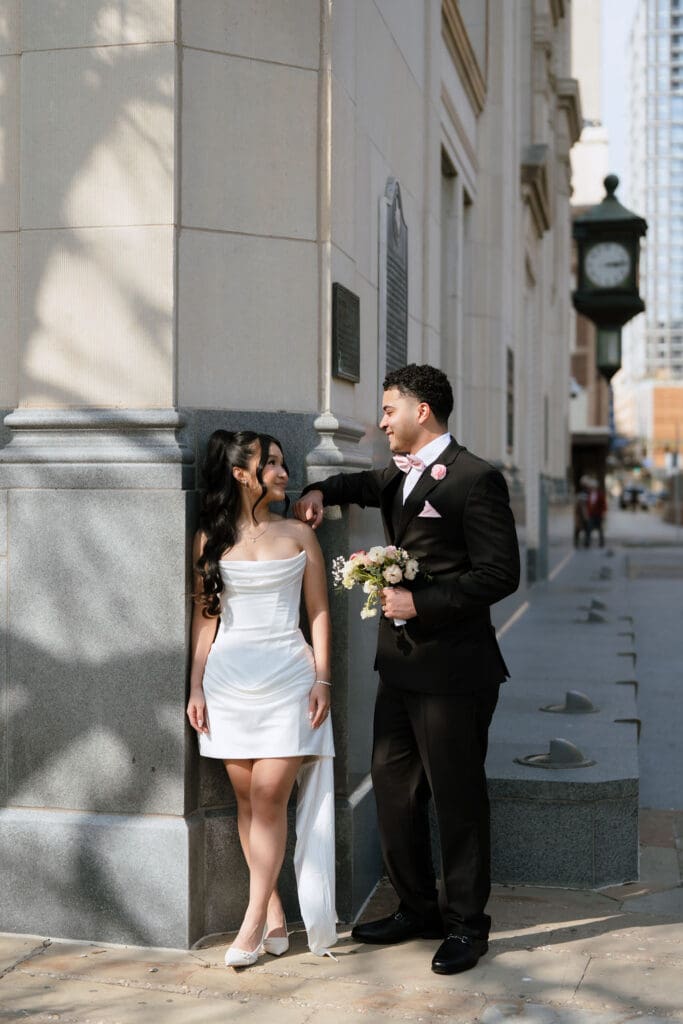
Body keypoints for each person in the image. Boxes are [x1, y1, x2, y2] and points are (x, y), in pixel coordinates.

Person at [294, 364, 520, 976]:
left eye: (389, 409)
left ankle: (467, 925)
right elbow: (362, 483)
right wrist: (320, 492)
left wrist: (423, 603)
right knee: (394, 792)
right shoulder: (398, 473)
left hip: (456, 673)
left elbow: (501, 574)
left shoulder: (476, 478)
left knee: (457, 798)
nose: (382, 420)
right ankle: (417, 909)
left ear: (423, 411)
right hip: (398, 669)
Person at [186, 430, 337, 967]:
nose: (282, 471)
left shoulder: (299, 534)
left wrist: (323, 679)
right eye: (270, 463)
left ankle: (249, 927)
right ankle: (271, 906)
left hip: (290, 679)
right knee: (248, 801)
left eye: (282, 461)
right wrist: (196, 685)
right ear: (240, 474)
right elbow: (206, 619)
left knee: (271, 796)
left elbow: (319, 612)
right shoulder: (210, 538)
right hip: (228, 682)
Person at [584, 477, 607, 547]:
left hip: (598, 514)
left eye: (593, 486)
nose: (592, 488)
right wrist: (587, 513)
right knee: (589, 528)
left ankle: (601, 542)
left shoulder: (600, 494)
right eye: (592, 487)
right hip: (591, 514)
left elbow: (604, 504)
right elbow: (587, 505)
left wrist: (603, 513)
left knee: (600, 529)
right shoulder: (589, 494)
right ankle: (587, 542)